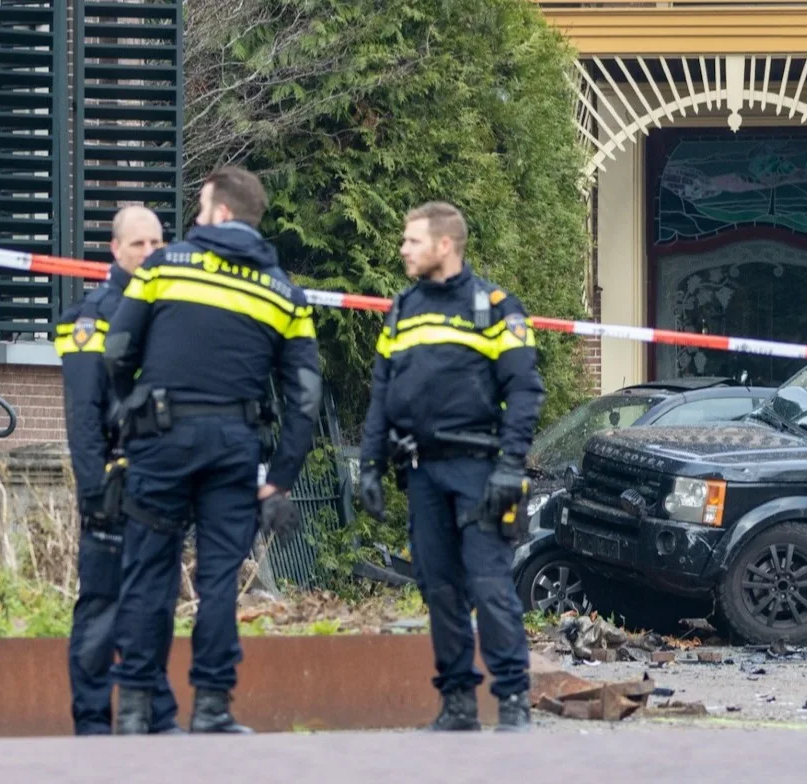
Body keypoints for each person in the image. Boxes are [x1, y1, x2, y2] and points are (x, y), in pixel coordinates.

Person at [103, 166, 322, 734]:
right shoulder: (285, 293)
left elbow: (118, 349)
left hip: (161, 441)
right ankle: (211, 708)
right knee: (220, 577)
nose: (195, 219)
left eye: (200, 208)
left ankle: (136, 711)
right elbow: (304, 395)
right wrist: (280, 477)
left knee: (149, 572)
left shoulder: (164, 266)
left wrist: (134, 406)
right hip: (234, 448)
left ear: (221, 212)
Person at [357, 201, 545, 732]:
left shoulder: (496, 308)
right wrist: (370, 466)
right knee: (438, 588)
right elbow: (381, 395)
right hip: (422, 471)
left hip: (481, 470)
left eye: (412, 240)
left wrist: (511, 466)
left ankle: (513, 702)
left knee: (488, 584)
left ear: (444, 245)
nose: (403, 249)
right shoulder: (403, 309)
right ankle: (458, 704)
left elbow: (525, 391)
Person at [55, 206, 182, 736]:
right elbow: (84, 416)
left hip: (160, 483)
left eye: (157, 243)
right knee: (103, 605)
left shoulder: (170, 311)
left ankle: (157, 715)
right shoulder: (92, 317)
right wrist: (93, 490)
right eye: (138, 245)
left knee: (155, 604)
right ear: (115, 250)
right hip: (113, 481)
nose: (150, 253)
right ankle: (91, 721)